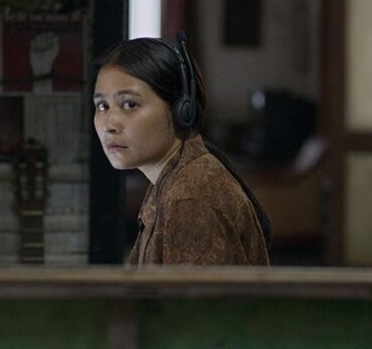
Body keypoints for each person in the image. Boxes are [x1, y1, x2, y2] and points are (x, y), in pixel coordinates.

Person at [92, 34, 271, 266]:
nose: (109, 124)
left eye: (130, 104)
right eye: (102, 106)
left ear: (180, 109)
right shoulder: (173, 178)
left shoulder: (190, 199)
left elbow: (193, 292)